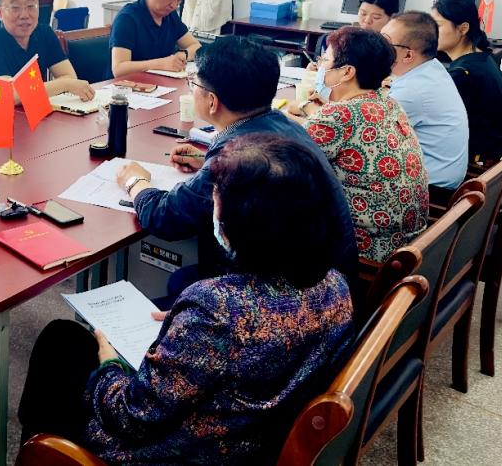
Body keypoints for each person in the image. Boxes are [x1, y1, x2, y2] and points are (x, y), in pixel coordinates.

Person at [19, 134, 355, 464]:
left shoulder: (215, 310)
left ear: (240, 225)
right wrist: (186, 323)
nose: (213, 205)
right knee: (69, 341)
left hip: (184, 451)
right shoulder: (335, 286)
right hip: (256, 433)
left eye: (217, 197)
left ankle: (41, 455)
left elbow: (131, 417)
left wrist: (109, 366)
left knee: (60, 343)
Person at [116, 37, 356, 297]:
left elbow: (165, 218)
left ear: (212, 101)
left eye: (194, 83)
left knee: (182, 282)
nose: (192, 89)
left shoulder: (235, 152)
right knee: (182, 279)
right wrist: (207, 164)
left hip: (285, 299)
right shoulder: (283, 126)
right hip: (328, 284)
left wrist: (136, 182)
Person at [288, 26, 429, 262]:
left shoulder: (339, 116)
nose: (320, 66)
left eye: (325, 60)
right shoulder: (388, 103)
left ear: (347, 72)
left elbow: (288, 161)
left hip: (369, 250)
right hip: (409, 243)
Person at [381, 11, 469, 190]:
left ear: (408, 56)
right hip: (441, 176)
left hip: (429, 190)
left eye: (385, 43)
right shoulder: (432, 67)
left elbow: (365, 134)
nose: (377, 47)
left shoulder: (412, 92)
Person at [432, 0, 502, 165]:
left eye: (437, 26)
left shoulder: (464, 73)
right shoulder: (483, 59)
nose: (431, 32)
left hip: (472, 162)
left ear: (463, 29)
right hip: (492, 151)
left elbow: (436, 123)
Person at [110, 0, 202, 78]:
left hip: (160, 83)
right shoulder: (127, 18)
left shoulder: (170, 16)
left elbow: (195, 45)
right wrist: (160, 64)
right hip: (125, 86)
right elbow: (118, 69)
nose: (174, 5)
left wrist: (183, 54)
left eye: (179, 0)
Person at [310, 0, 401, 63]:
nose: (367, 20)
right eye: (363, 14)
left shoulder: (396, 47)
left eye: (376, 17)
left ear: (392, 17)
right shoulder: (348, 40)